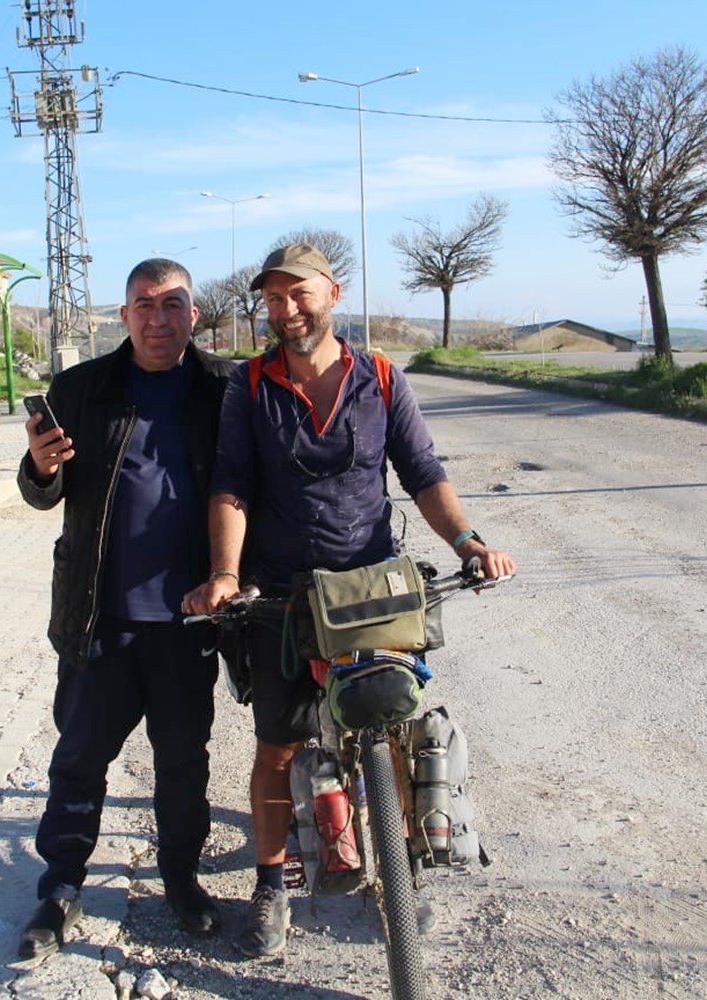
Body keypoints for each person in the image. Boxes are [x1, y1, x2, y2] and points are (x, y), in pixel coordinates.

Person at [183, 243, 515, 958]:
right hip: (282, 598)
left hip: (369, 591)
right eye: (273, 299)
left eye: (299, 294)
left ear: (332, 292)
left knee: (389, 733)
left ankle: (400, 879)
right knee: (279, 748)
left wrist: (470, 543)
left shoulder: (382, 377)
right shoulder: (251, 384)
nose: (287, 310)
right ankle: (271, 887)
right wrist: (226, 575)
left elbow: (424, 472)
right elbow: (232, 483)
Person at [16, 258, 237, 963]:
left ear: (193, 315)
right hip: (99, 619)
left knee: (182, 763)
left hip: (188, 622)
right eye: (145, 304)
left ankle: (180, 880)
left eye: (174, 304)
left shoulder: (223, 391)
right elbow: (43, 494)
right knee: (79, 759)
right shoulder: (83, 389)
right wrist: (41, 468)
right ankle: (60, 888)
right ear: (124, 316)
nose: (159, 318)